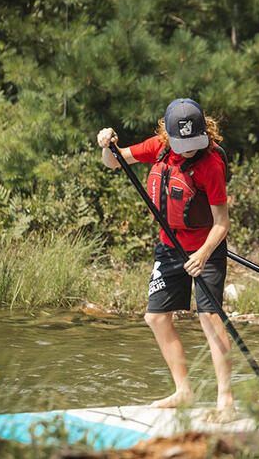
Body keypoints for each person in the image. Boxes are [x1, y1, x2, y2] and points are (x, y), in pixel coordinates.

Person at [96, 98, 233, 418]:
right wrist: (107, 146)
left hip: (206, 251)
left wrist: (202, 254)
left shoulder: (210, 165)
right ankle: (184, 391)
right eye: (182, 143)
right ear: (168, 135)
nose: (188, 149)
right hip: (170, 247)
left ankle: (225, 398)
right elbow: (113, 162)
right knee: (156, 318)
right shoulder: (158, 147)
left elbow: (222, 224)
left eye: (194, 142)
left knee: (210, 318)